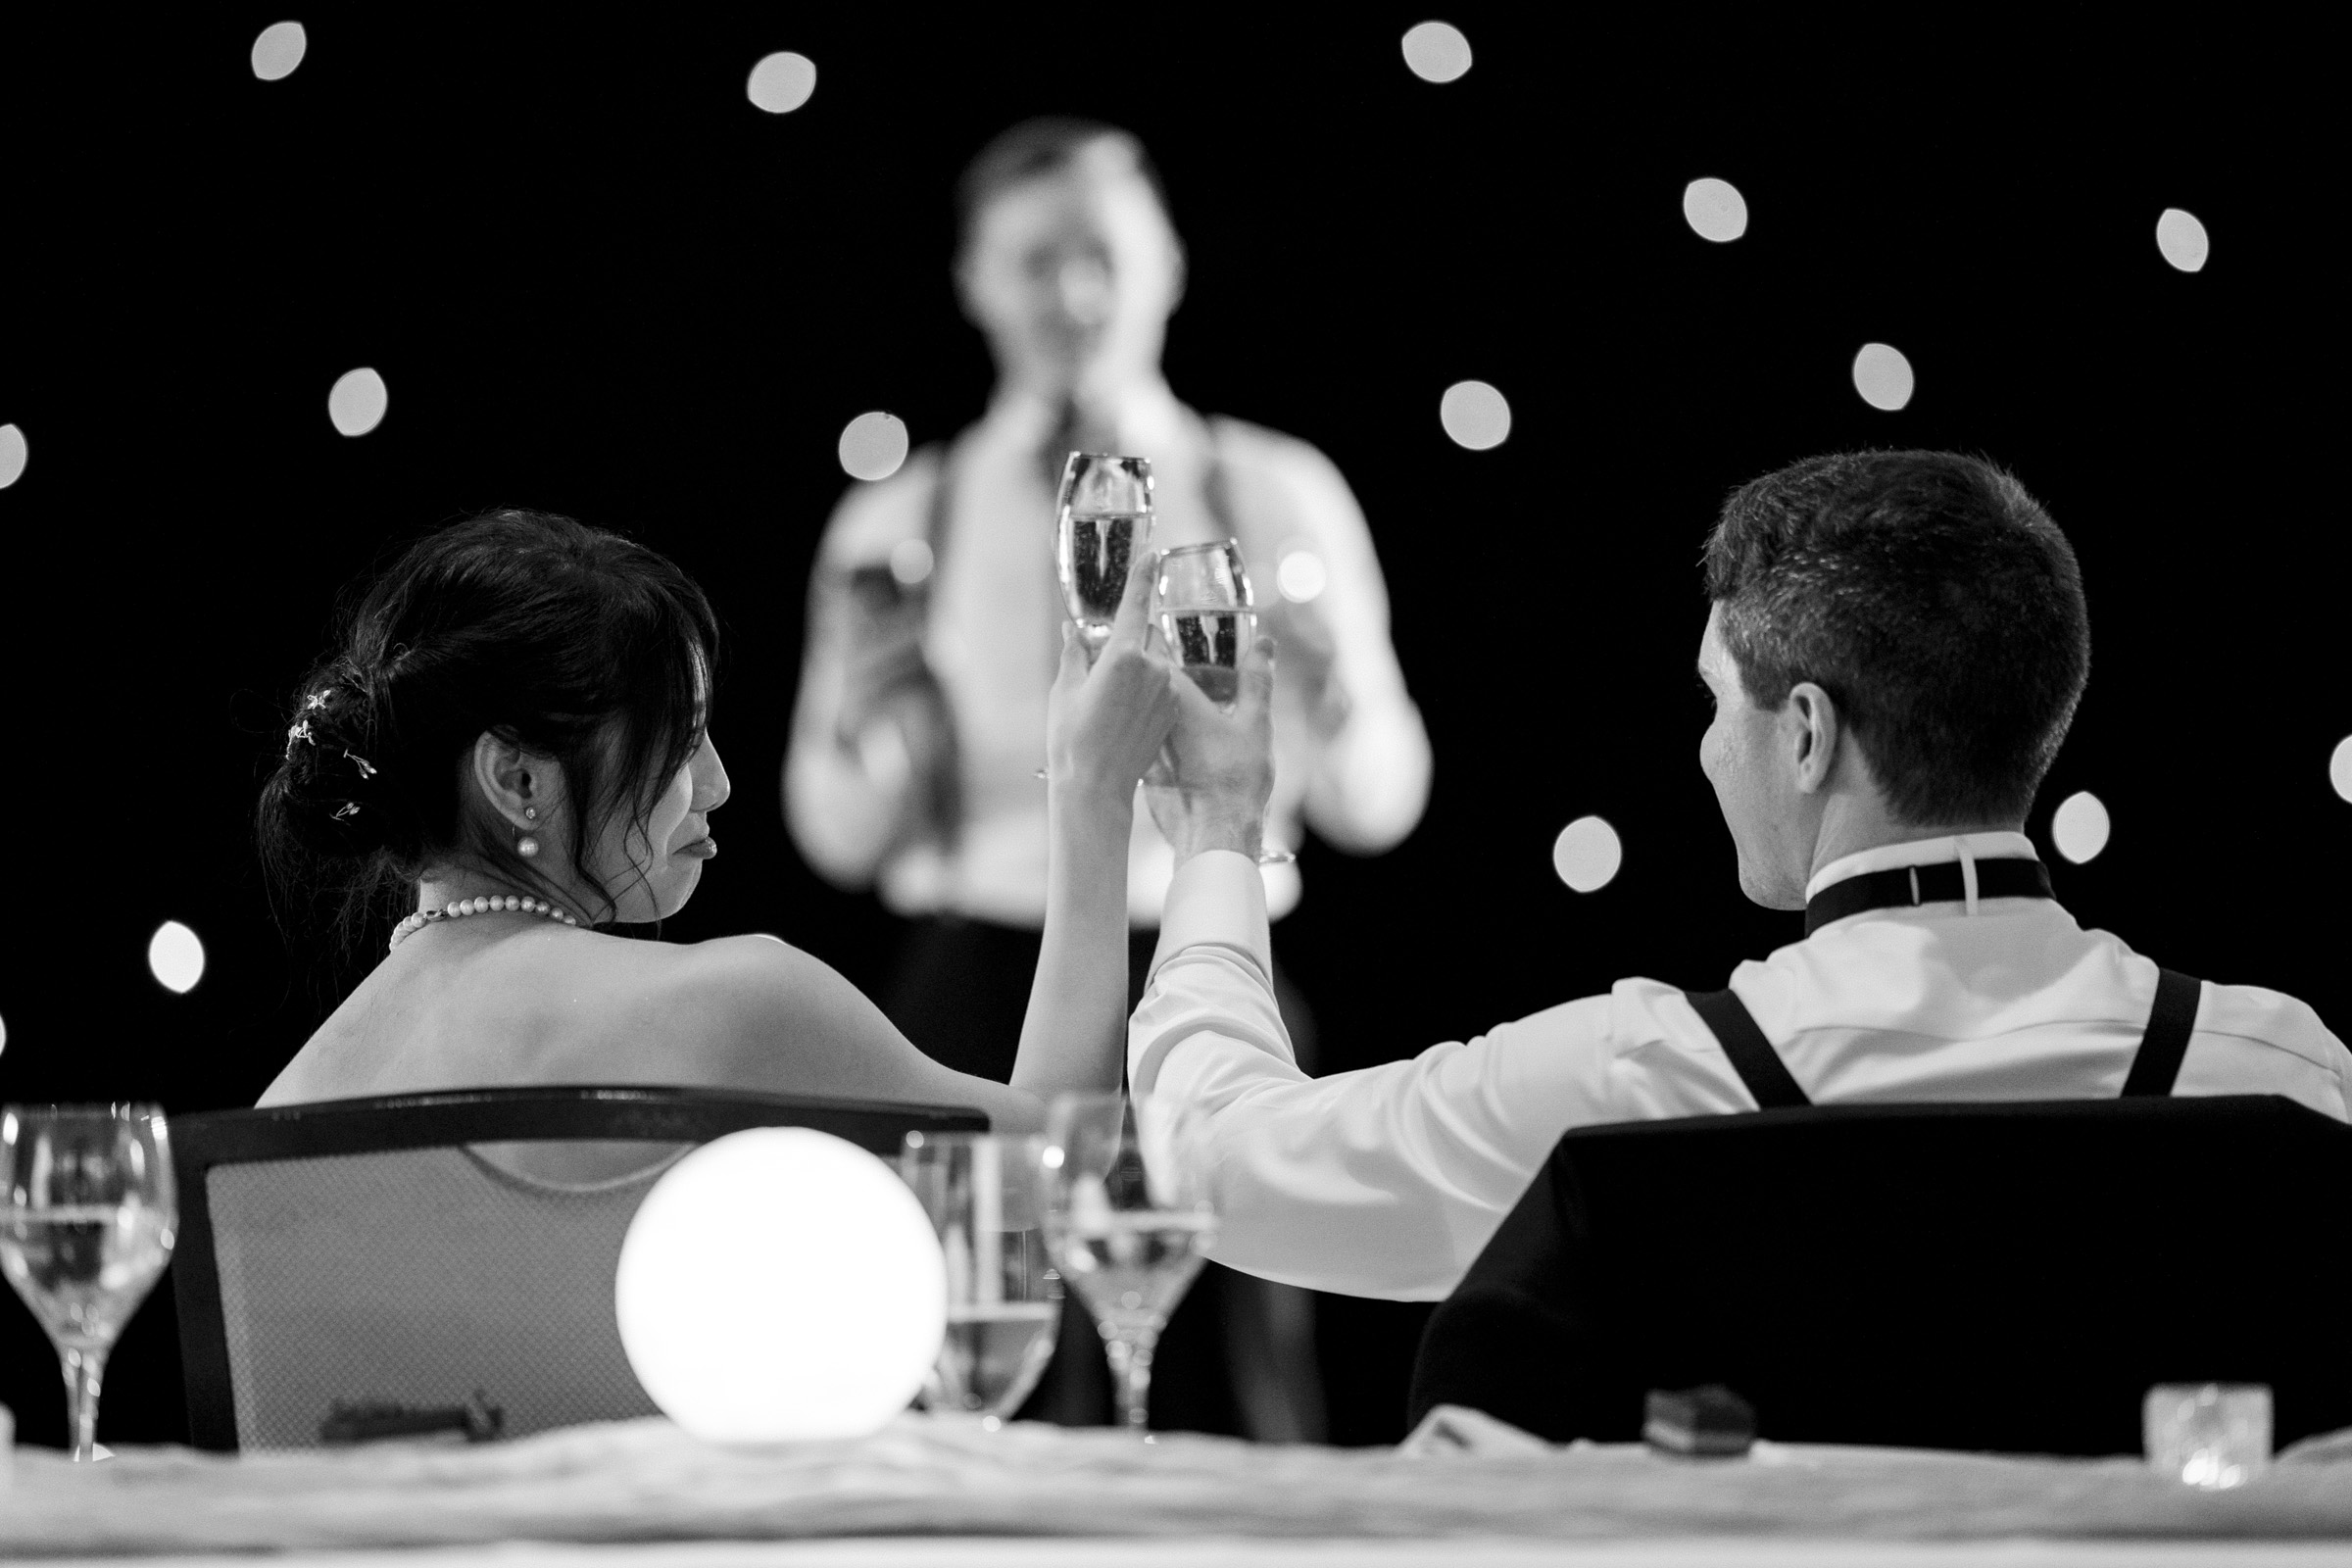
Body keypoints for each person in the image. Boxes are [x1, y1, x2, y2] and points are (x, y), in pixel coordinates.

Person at [1132, 450, 2351, 1300]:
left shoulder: (1644, 1088)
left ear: (1808, 732)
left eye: (1720, 702)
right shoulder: (2282, 1073)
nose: (1710, 748)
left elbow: (1216, 1164)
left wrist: (1218, 834)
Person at [783, 119, 1430, 1436]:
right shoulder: (898, 517)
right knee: (966, 1382)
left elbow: (1380, 801)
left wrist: (1330, 693)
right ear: (973, 281)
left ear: (1167, 265)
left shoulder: (1277, 488)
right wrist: (866, 725)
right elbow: (835, 836)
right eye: (1034, 261)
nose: (1072, 295)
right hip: (970, 983)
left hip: (1208, 967)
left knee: (1233, 1406)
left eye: (1101, 255)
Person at [258, 509, 1180, 1148]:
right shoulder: (735, 1004)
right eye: (681, 738)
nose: (720, 783)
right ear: (519, 777)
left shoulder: (282, 1109)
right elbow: (1059, 1165)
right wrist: (1096, 796)